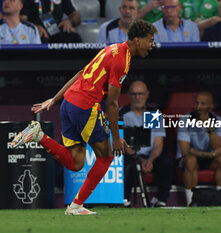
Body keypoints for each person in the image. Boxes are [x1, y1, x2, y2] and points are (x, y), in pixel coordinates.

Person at [11, 20, 158, 215]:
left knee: (75, 162)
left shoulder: (112, 48)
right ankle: (76, 205)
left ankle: (39, 136)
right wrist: (115, 137)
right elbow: (112, 103)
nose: (152, 45)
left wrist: (55, 99)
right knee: (106, 157)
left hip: (69, 103)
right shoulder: (122, 60)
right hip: (84, 107)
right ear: (137, 40)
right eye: (150, 40)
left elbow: (81, 73)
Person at [120, 80, 173, 207]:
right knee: (125, 162)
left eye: (140, 94)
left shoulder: (152, 114)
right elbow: (122, 142)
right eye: (134, 94)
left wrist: (150, 160)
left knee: (166, 161)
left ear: (147, 94)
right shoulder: (122, 114)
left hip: (151, 156)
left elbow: (158, 143)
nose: (137, 97)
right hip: (130, 155)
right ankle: (125, 200)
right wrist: (138, 159)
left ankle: (161, 200)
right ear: (128, 95)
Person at [177, 92, 221, 206]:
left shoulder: (217, 119)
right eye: (196, 102)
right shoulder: (185, 120)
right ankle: (191, 203)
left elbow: (219, 148)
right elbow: (185, 150)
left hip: (210, 159)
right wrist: (210, 155)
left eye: (203, 104)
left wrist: (209, 127)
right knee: (191, 160)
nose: (198, 107)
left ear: (210, 107)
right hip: (189, 159)